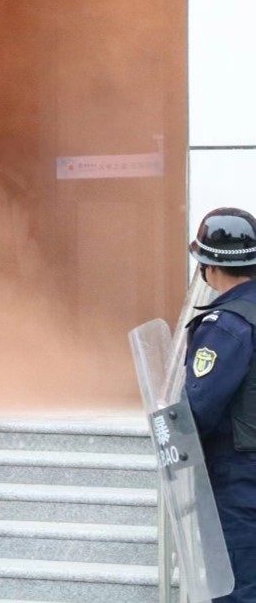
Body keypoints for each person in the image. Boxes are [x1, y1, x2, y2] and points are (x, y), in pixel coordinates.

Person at [185, 207, 256, 603]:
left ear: (208, 267)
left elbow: (198, 409)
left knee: (237, 588)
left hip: (241, 481)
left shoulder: (227, 325)